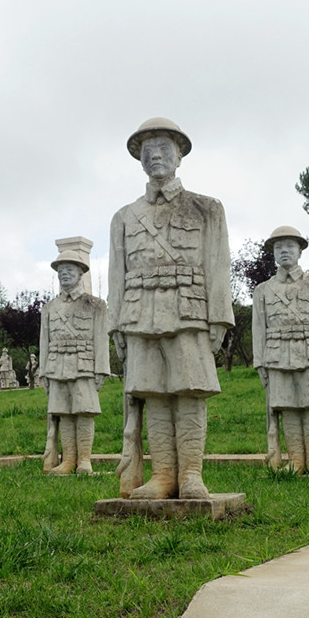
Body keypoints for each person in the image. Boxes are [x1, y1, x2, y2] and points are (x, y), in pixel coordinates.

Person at [109, 117, 232, 499]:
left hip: (190, 310)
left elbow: (217, 264)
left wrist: (219, 318)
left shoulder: (206, 208)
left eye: (164, 149)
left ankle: (192, 474)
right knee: (155, 394)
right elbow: (116, 273)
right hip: (139, 313)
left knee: (188, 391)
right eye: (148, 152)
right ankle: (163, 476)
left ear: (180, 156)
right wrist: (115, 325)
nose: (155, 157)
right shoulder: (124, 217)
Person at [252, 226, 309, 475]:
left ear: (300, 251)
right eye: (278, 248)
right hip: (277, 355)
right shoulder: (262, 290)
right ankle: (297, 462)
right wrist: (260, 363)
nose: (284, 252)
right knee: (288, 406)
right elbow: (258, 329)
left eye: (289, 246)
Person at [38, 250, 109, 475]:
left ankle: (85, 460)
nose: (64, 274)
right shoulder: (49, 308)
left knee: (84, 411)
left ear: (80, 272)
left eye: (69, 269)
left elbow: (101, 338)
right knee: (65, 413)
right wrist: (44, 373)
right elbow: (44, 342)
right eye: (60, 271)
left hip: (85, 364)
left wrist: (101, 370)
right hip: (56, 365)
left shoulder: (96, 305)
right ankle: (68, 461)